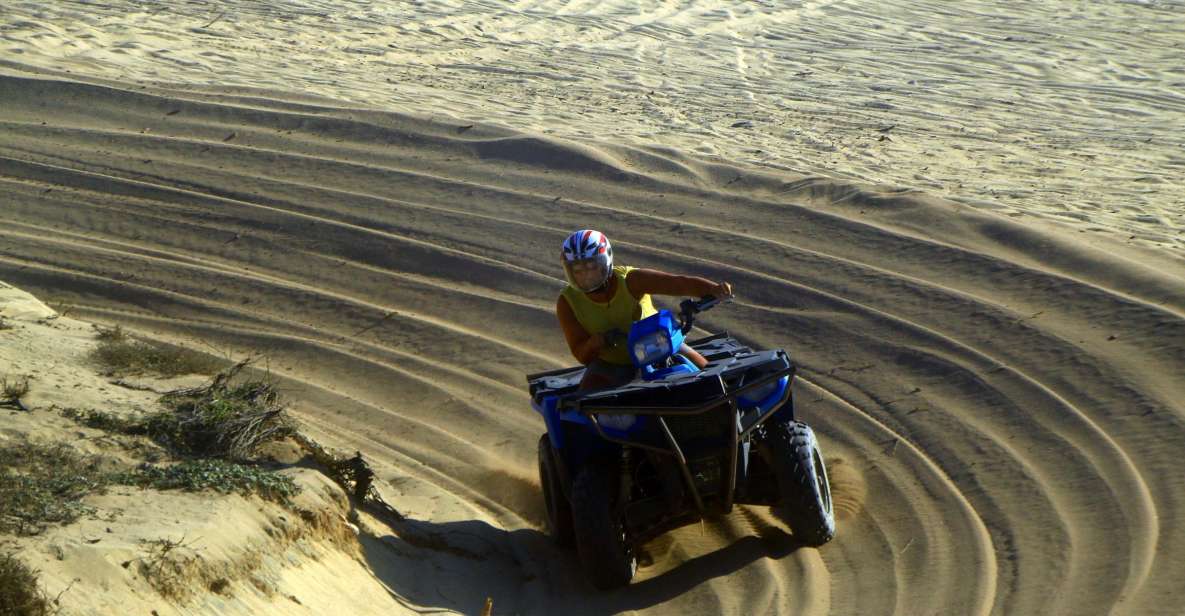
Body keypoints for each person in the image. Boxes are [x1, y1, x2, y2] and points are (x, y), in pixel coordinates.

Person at [556, 229, 734, 390]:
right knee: (584, 409)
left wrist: (713, 290)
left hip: (661, 348)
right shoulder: (567, 302)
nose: (585, 275)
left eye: (591, 266)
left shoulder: (630, 280)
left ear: (606, 260)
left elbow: (678, 283)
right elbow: (580, 354)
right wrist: (594, 343)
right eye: (577, 270)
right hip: (613, 364)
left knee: (715, 382)